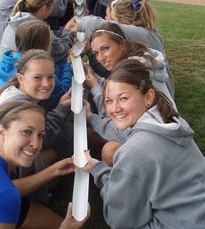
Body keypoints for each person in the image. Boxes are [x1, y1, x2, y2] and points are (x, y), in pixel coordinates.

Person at [80, 59, 205, 229]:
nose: (114, 108)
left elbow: (120, 220)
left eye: (123, 98)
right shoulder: (167, 121)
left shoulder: (135, 151)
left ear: (148, 97)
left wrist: (99, 170)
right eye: (109, 101)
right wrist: (91, 117)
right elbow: (119, 132)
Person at [0, 100, 89, 229]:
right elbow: (2, 194)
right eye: (27, 132)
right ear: (1, 132)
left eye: (40, 135)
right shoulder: (5, 195)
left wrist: (54, 171)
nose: (36, 144)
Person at [66, 0, 174, 97]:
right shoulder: (145, 32)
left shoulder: (136, 32)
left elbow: (92, 23)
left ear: (123, 21)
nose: (106, 20)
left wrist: (77, 24)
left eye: (110, 18)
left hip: (157, 96)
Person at [0, 0, 74, 94]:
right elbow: (62, 52)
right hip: (14, 93)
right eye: (53, 4)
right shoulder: (36, 30)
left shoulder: (19, 19)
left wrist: (64, 32)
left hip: (0, 88)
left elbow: (53, 36)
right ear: (44, 8)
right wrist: (68, 31)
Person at [84, 22, 175, 115]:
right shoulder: (139, 60)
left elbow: (113, 117)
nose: (101, 58)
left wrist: (94, 87)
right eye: (96, 53)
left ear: (122, 45)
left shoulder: (132, 73)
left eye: (105, 48)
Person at [0, 20, 72, 112]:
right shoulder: (36, 68)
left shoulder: (11, 60)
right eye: (50, 41)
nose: (46, 83)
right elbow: (64, 90)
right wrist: (68, 63)